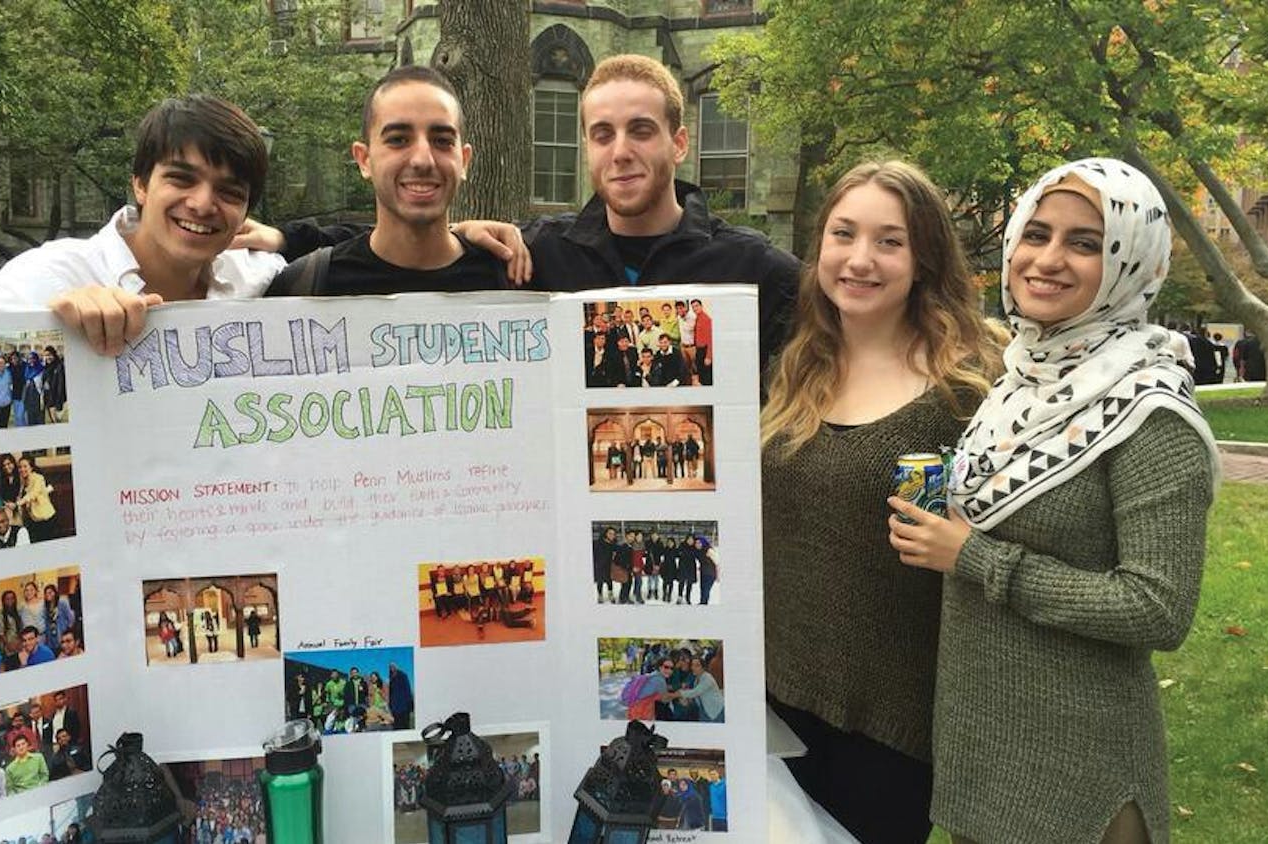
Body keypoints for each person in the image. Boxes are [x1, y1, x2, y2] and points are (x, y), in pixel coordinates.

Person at [886, 158, 1218, 844]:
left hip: (1081, 772)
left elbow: (1158, 607)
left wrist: (979, 560)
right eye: (1035, 234)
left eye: (1086, 243)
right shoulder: (1019, 382)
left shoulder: (1150, 410)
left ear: (1134, 262)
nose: (1047, 259)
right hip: (986, 753)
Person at [243, 54, 798, 378]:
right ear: (586, 146)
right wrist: (287, 237)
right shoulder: (539, 255)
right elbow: (403, 239)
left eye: (642, 130)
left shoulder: (753, 267)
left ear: (679, 143)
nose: (621, 151)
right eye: (602, 134)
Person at [760, 160, 1005, 843]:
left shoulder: (971, 389)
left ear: (923, 257)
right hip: (775, 705)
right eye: (843, 234)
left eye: (888, 241)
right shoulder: (792, 369)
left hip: (893, 723)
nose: (860, 259)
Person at [0, 95, 285, 355]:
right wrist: (50, 329)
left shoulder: (264, 279)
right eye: (181, 179)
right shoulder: (44, 280)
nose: (203, 204)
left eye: (230, 192)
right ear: (140, 185)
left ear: (246, 212)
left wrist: (286, 239)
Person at [266, 66, 508, 297]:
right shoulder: (303, 286)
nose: (423, 160)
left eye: (442, 140)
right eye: (398, 139)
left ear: (464, 160)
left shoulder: (515, 280)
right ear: (364, 160)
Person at [15, 456, 57, 542]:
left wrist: (18, 503)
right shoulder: (23, 480)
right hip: (33, 519)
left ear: (31, 467)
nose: (22, 469)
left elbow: (33, 493)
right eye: (20, 467)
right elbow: (20, 495)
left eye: (25, 466)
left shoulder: (38, 478)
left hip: (45, 518)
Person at [388, 662, 414, 730]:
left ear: (396, 667)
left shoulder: (403, 675)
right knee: (396, 726)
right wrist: (390, 705)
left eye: (393, 666)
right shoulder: (391, 679)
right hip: (395, 708)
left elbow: (408, 690)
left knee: (405, 725)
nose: (391, 668)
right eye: (390, 667)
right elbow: (391, 694)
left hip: (404, 706)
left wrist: (410, 704)